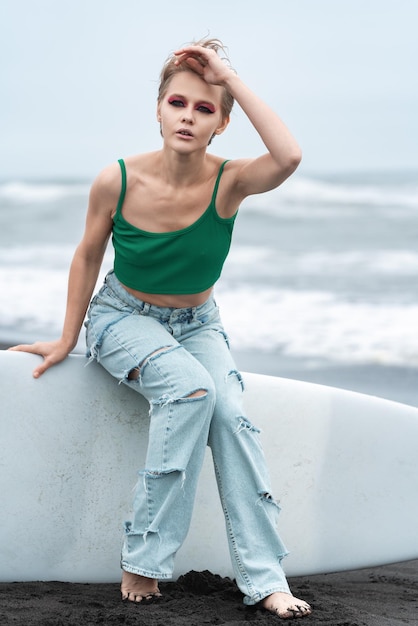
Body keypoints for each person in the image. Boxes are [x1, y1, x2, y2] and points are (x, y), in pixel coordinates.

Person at [10, 38, 312, 619]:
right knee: (191, 389)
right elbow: (86, 256)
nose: (188, 117)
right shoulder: (117, 180)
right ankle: (144, 560)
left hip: (199, 323)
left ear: (223, 122)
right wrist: (68, 336)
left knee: (232, 415)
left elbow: (290, 156)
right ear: (158, 108)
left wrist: (230, 77)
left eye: (205, 109)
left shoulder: (231, 182)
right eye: (178, 103)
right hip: (122, 316)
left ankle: (266, 578)